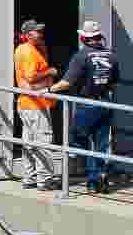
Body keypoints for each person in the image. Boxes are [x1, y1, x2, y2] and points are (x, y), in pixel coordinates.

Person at [53, 18, 122, 193]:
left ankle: (93, 175)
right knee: (100, 144)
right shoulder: (111, 56)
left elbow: (66, 83)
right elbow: (114, 83)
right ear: (99, 37)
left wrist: (48, 89)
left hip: (87, 103)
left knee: (76, 138)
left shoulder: (81, 56)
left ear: (83, 38)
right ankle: (99, 176)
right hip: (106, 102)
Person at [12, 19, 60, 186]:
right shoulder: (29, 51)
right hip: (36, 103)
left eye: (41, 31)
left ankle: (30, 177)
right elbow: (31, 76)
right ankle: (45, 179)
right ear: (27, 35)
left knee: (29, 142)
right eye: (36, 32)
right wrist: (50, 71)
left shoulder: (23, 49)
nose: (40, 34)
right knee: (43, 141)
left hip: (26, 103)